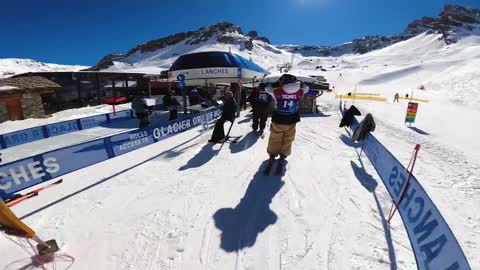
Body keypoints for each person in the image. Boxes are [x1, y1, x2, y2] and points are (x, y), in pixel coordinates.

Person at [265, 74, 309, 160]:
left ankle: (272, 154)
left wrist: (273, 84)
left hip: (279, 118)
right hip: (292, 118)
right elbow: (306, 88)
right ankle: (284, 154)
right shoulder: (300, 91)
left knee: (275, 137)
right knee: (288, 138)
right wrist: (303, 84)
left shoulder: (276, 91)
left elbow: (267, 89)